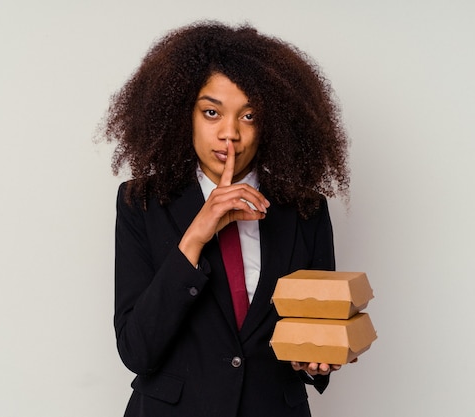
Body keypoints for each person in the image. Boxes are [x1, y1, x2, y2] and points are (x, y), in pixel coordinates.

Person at [100, 21, 350, 417]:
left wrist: (316, 362)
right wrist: (196, 235)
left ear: (272, 123)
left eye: (248, 116)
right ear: (185, 113)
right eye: (212, 112)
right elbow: (136, 350)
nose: (229, 133)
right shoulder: (141, 203)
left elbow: (319, 332)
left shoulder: (306, 210)